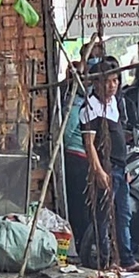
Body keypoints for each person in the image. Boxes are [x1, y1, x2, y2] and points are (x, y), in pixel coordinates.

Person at [82, 60, 139, 271]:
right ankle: (105, 261)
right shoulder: (90, 107)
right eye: (107, 81)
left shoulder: (114, 103)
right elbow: (89, 144)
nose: (112, 85)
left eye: (115, 80)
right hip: (106, 169)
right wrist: (98, 171)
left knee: (123, 215)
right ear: (96, 84)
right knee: (104, 217)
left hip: (120, 168)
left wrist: (124, 168)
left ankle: (126, 259)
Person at [61, 43, 104, 263]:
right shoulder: (72, 98)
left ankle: (93, 250)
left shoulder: (100, 101)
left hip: (90, 158)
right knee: (79, 208)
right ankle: (82, 249)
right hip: (75, 157)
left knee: (93, 209)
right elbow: (67, 134)